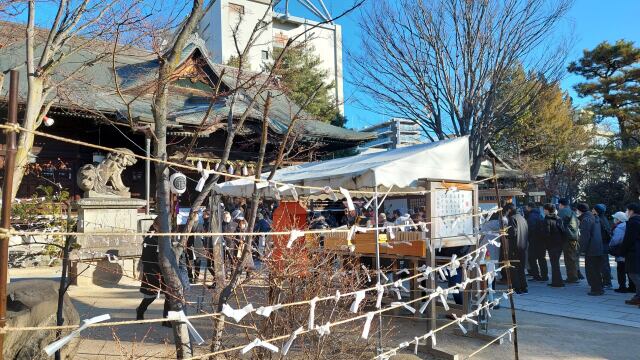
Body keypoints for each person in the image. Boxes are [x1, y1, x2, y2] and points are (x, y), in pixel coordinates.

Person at [136, 217, 170, 326]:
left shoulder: (166, 237)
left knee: (170, 294)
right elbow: (146, 258)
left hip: (167, 270)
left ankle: (166, 319)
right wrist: (150, 272)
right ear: (155, 226)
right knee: (151, 295)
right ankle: (140, 310)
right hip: (153, 270)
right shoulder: (150, 239)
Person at [576, 203, 604, 296]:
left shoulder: (586, 219)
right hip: (598, 247)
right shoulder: (594, 217)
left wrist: (580, 249)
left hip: (591, 249)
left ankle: (596, 289)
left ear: (580, 210)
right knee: (596, 269)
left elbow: (585, 237)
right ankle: (599, 287)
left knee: (592, 270)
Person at [503, 203, 529, 294]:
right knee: (521, 268)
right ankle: (524, 287)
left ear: (509, 210)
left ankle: (516, 288)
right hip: (523, 247)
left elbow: (512, 233)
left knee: (514, 268)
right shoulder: (522, 218)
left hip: (515, 247)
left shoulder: (512, 218)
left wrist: (505, 232)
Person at [620, 203, 640, 305]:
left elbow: (628, 239)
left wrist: (622, 251)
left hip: (633, 251)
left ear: (631, 211)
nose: (626, 212)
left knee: (633, 274)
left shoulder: (633, 222)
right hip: (636, 250)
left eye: (627, 210)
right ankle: (637, 297)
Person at [609, 211, 635, 293]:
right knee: (629, 270)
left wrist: (610, 244)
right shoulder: (627, 226)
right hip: (627, 252)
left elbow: (615, 240)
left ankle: (622, 287)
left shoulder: (619, 228)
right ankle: (632, 287)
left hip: (620, 252)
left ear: (619, 219)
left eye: (615, 218)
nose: (614, 220)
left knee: (621, 270)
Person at [558, 199, 582, 283]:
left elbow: (559, 224)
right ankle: (576, 275)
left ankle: (572, 277)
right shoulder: (572, 211)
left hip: (568, 238)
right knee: (573, 257)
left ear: (561, 204)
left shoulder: (563, 211)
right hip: (575, 237)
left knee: (569, 258)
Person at [543, 203, 565, 287]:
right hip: (559, 244)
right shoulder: (559, 218)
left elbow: (546, 234)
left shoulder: (547, 220)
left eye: (544, 209)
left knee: (554, 264)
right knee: (555, 263)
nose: (543, 211)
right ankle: (557, 281)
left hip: (552, 245)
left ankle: (557, 282)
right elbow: (563, 231)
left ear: (547, 210)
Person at [526, 203, 547, 282]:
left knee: (532, 258)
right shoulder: (540, 215)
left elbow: (530, 229)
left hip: (534, 240)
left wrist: (529, 238)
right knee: (542, 258)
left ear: (529, 207)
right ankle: (545, 276)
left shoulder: (531, 216)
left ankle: (536, 275)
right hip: (541, 240)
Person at [593, 204, 613, 289]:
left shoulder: (599, 220)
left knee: (603, 265)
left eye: (593, 209)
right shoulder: (603, 219)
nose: (592, 210)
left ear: (597, 211)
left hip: (602, 245)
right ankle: (606, 282)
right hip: (604, 244)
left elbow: (600, 234)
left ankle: (607, 283)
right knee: (604, 264)